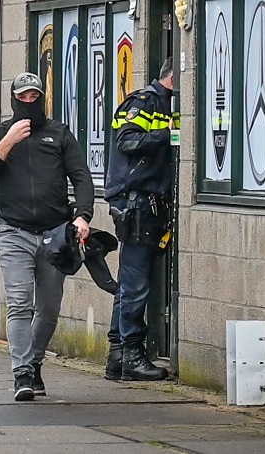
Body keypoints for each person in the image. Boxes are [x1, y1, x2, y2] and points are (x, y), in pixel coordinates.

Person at [0, 72, 94, 402]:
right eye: (22, 97)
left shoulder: (59, 134)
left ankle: (35, 361)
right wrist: (8, 141)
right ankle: (22, 372)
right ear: (13, 99)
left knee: (50, 308)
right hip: (13, 232)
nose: (28, 102)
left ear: (42, 98)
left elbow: (82, 178)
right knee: (19, 304)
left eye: (34, 97)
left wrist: (82, 215)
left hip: (54, 235)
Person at [103, 58, 178, 381]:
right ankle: (131, 354)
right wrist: (168, 133)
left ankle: (118, 355)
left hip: (151, 202)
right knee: (136, 281)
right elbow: (126, 140)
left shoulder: (168, 104)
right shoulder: (143, 102)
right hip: (136, 202)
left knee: (131, 281)